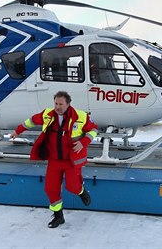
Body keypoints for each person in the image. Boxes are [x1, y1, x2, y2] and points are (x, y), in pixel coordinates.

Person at [10, 91, 98, 228]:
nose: (58, 107)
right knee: (50, 189)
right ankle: (58, 216)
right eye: (56, 103)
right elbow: (31, 121)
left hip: (71, 161)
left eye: (61, 104)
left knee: (72, 187)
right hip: (54, 161)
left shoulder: (81, 116)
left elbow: (94, 129)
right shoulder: (47, 114)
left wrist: (84, 141)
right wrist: (17, 131)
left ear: (68, 104)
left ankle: (81, 191)